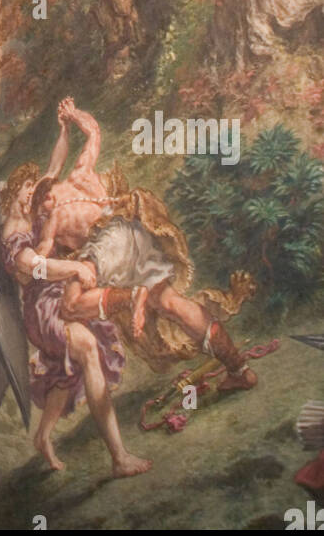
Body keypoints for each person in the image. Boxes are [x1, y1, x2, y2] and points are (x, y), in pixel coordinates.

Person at [43, 99, 257, 392]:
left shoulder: (50, 218)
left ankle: (133, 297)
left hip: (108, 245)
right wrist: (71, 118)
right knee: (172, 304)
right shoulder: (80, 174)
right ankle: (239, 369)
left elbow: (36, 261)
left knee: (69, 305)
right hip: (133, 233)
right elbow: (93, 131)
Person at [0, 146, 151, 477]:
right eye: (28, 189)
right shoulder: (12, 233)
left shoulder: (31, 209)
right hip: (43, 310)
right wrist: (72, 271)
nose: (35, 193)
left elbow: (52, 169)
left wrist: (64, 131)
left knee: (66, 373)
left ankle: (42, 436)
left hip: (56, 297)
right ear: (16, 192)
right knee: (87, 351)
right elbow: (35, 268)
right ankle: (119, 458)